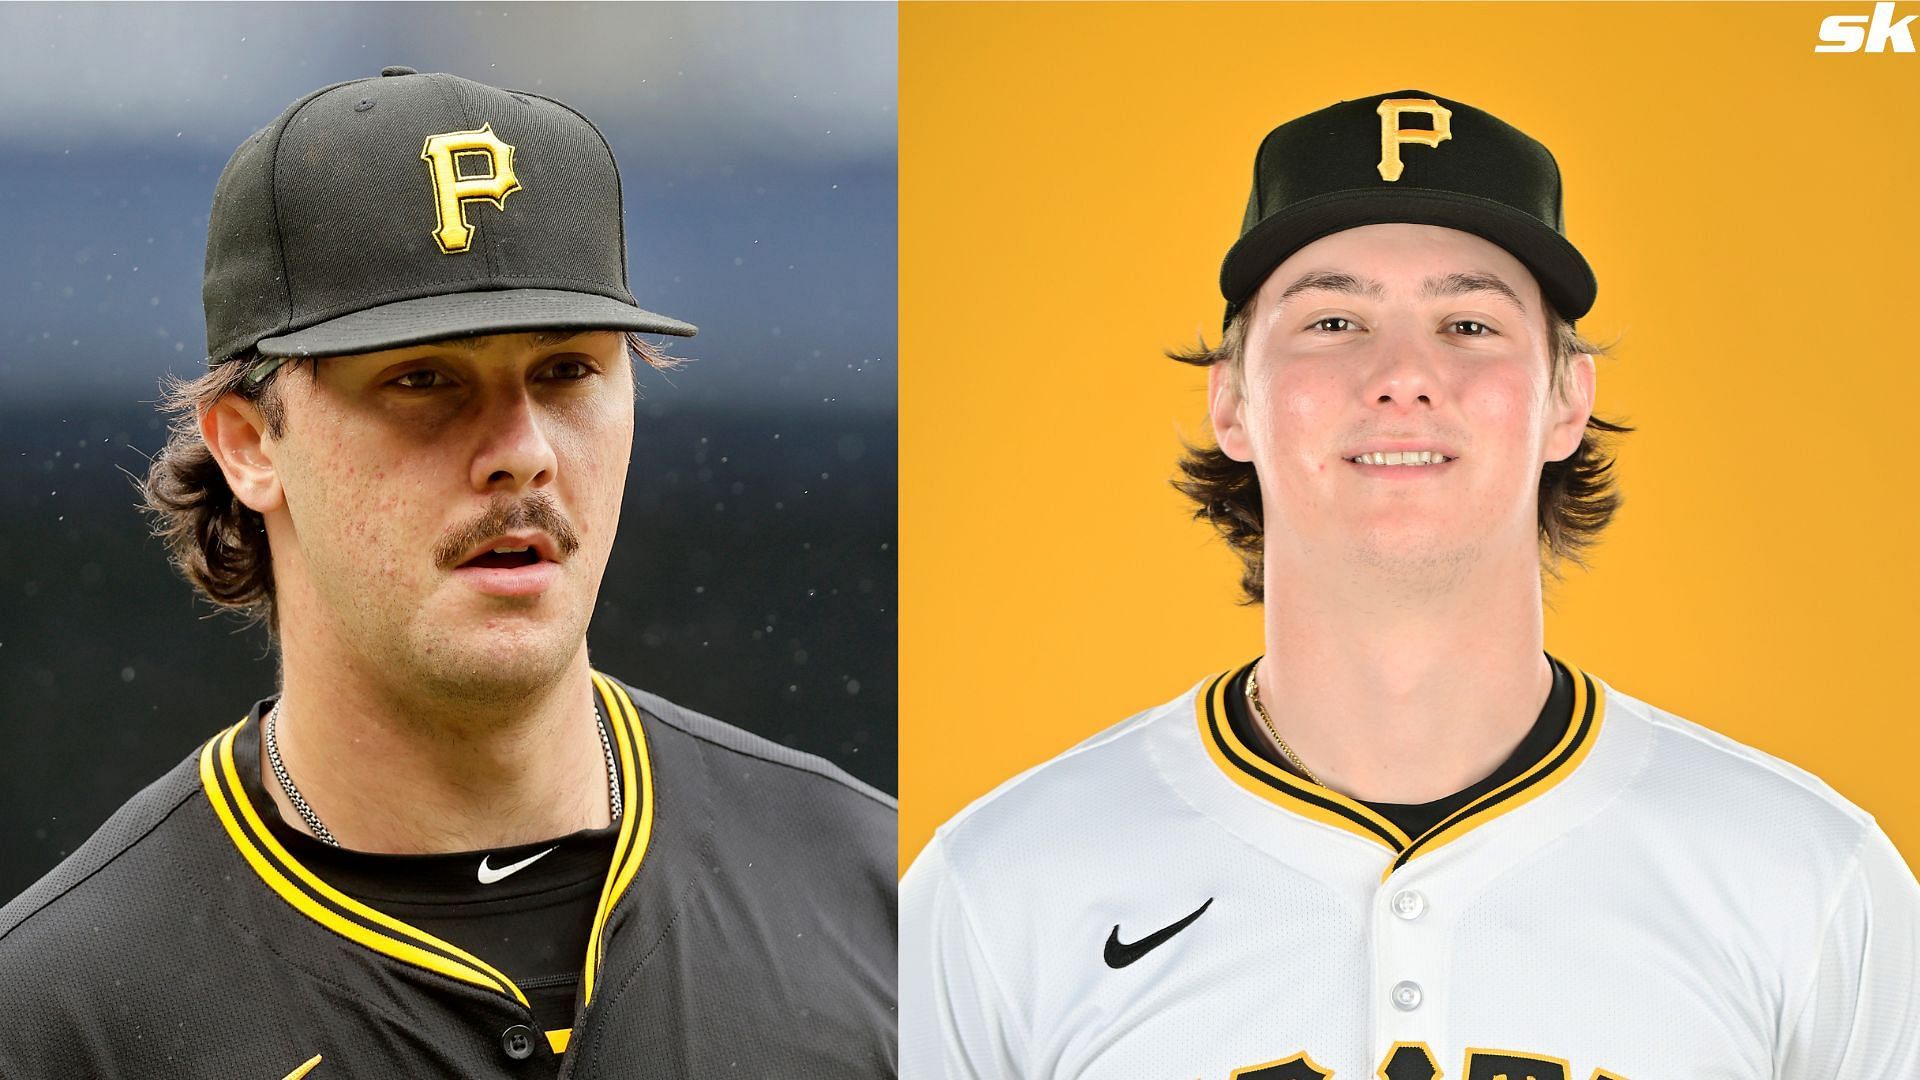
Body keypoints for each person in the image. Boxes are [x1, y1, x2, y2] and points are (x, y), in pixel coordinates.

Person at [900, 90, 1919, 1079]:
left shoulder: (1810, 881)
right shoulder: (1001, 885)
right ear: (1233, 402)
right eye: (1333, 322)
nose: (1400, 375)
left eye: (1469, 325)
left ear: (1569, 399)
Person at [0, 68, 895, 1078]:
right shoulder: (62, 1017)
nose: (522, 449)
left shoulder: (892, 902)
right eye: (423, 379)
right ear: (250, 444)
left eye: (566, 371)